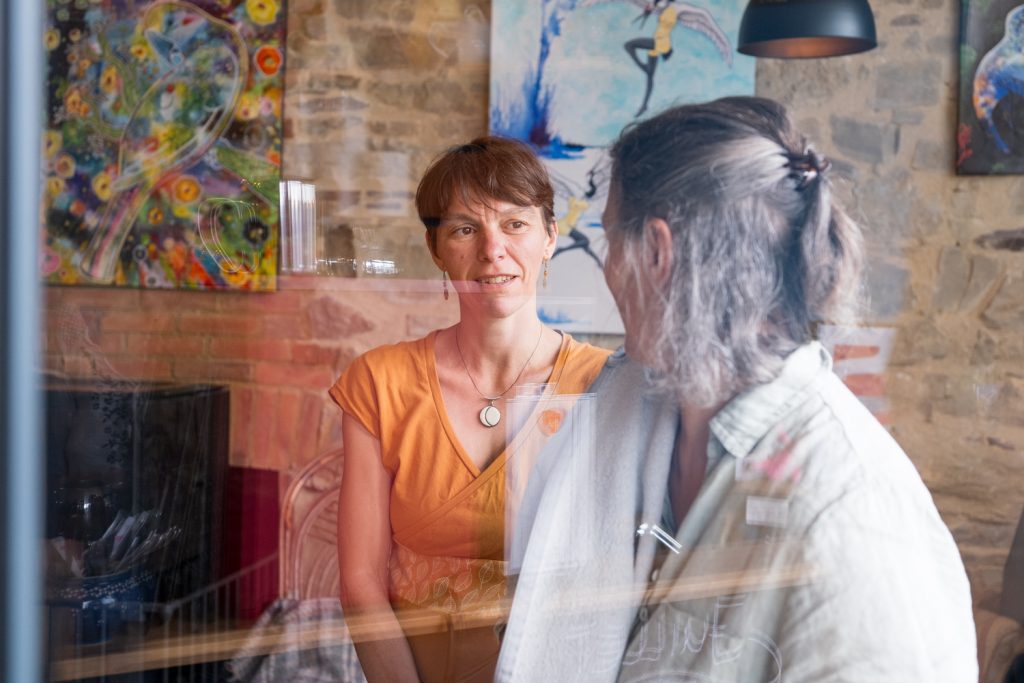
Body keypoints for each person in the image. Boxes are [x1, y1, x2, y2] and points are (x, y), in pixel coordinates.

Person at [497, 97, 977, 682]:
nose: (606, 267)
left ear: (656, 251)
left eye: (608, 240)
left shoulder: (850, 512)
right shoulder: (652, 419)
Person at [330, 136, 610, 683]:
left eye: (514, 224)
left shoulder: (601, 383)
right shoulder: (380, 382)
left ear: (550, 237)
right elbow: (360, 583)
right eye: (465, 228)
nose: (491, 250)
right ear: (436, 249)